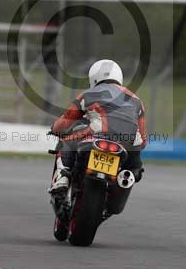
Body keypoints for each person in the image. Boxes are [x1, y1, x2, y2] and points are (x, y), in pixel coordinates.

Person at [49, 59, 147, 195]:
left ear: (94, 78)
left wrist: (54, 129)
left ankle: (62, 179)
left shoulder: (87, 94)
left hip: (99, 134)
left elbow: (66, 121)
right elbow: (143, 139)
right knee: (135, 169)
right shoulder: (137, 100)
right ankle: (124, 177)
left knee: (66, 142)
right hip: (130, 141)